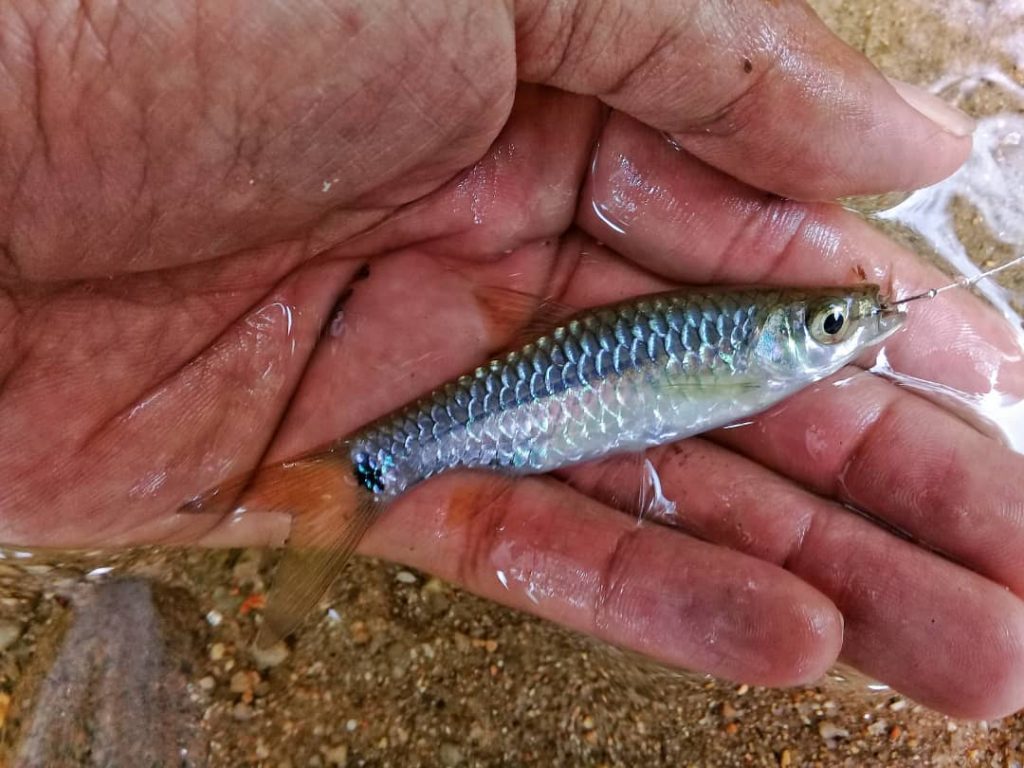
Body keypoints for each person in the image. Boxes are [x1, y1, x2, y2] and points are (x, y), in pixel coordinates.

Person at [0, 0, 1018, 720]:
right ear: (779, 342)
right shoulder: (757, 355)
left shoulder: (758, 351)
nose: (841, 339)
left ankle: (351, 479)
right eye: (829, 331)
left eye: (834, 330)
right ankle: (355, 477)